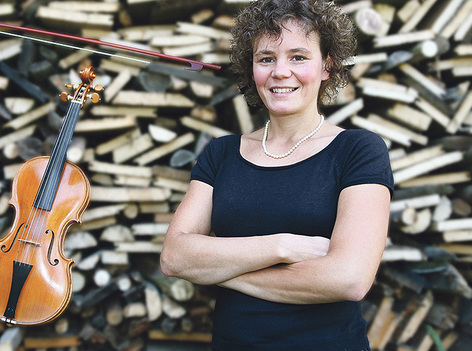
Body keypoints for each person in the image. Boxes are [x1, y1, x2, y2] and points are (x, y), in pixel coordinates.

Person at [159, 0, 394, 350]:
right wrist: (281, 246)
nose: (280, 71)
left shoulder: (358, 150)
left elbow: (349, 278)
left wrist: (223, 270)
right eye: (266, 58)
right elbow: (175, 257)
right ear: (251, 68)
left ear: (326, 65)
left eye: (298, 57)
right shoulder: (221, 154)